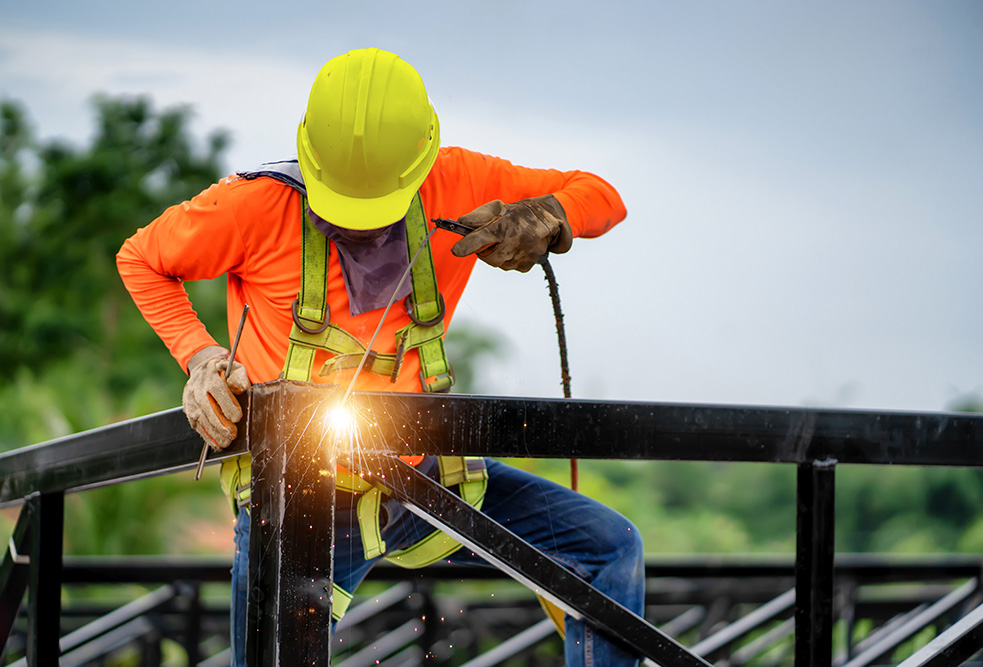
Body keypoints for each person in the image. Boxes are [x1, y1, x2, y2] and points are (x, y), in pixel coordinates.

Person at [117, 48, 641, 666]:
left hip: (425, 481)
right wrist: (200, 354)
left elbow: (600, 194)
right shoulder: (254, 206)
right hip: (300, 504)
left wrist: (548, 215)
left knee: (607, 549)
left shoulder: (457, 181)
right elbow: (141, 257)